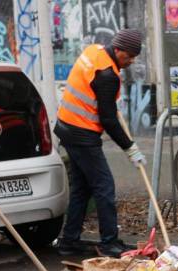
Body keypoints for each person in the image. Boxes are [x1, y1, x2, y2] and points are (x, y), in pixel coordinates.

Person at [53, 29, 147, 258]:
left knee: (82, 189)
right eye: (129, 56)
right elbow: (108, 120)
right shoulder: (107, 75)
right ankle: (109, 243)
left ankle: (69, 241)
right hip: (82, 135)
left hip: (66, 127)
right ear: (118, 50)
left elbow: (98, 101)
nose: (131, 60)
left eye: (135, 56)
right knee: (104, 187)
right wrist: (130, 148)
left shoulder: (93, 51)